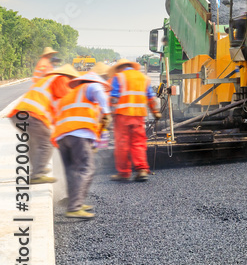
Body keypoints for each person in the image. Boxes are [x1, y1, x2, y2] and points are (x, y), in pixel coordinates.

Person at [52, 63, 112, 219]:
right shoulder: (91, 87)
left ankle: (74, 201)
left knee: (71, 170)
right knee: (86, 168)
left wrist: (94, 142)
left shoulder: (72, 94)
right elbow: (99, 93)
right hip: (77, 135)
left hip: (62, 137)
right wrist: (106, 113)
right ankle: (74, 207)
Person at [6, 64, 79, 184]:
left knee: (34, 142)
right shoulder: (61, 79)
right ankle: (38, 174)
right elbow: (68, 99)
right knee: (46, 142)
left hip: (18, 115)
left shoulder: (47, 80)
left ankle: (38, 168)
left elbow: (56, 108)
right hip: (32, 115)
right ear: (70, 76)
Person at [108, 59, 161, 182]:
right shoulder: (143, 78)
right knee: (138, 143)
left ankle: (124, 173)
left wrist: (111, 114)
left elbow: (114, 98)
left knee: (122, 144)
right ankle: (141, 170)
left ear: (120, 67)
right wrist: (155, 112)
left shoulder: (119, 77)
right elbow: (151, 97)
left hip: (122, 116)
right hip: (138, 116)